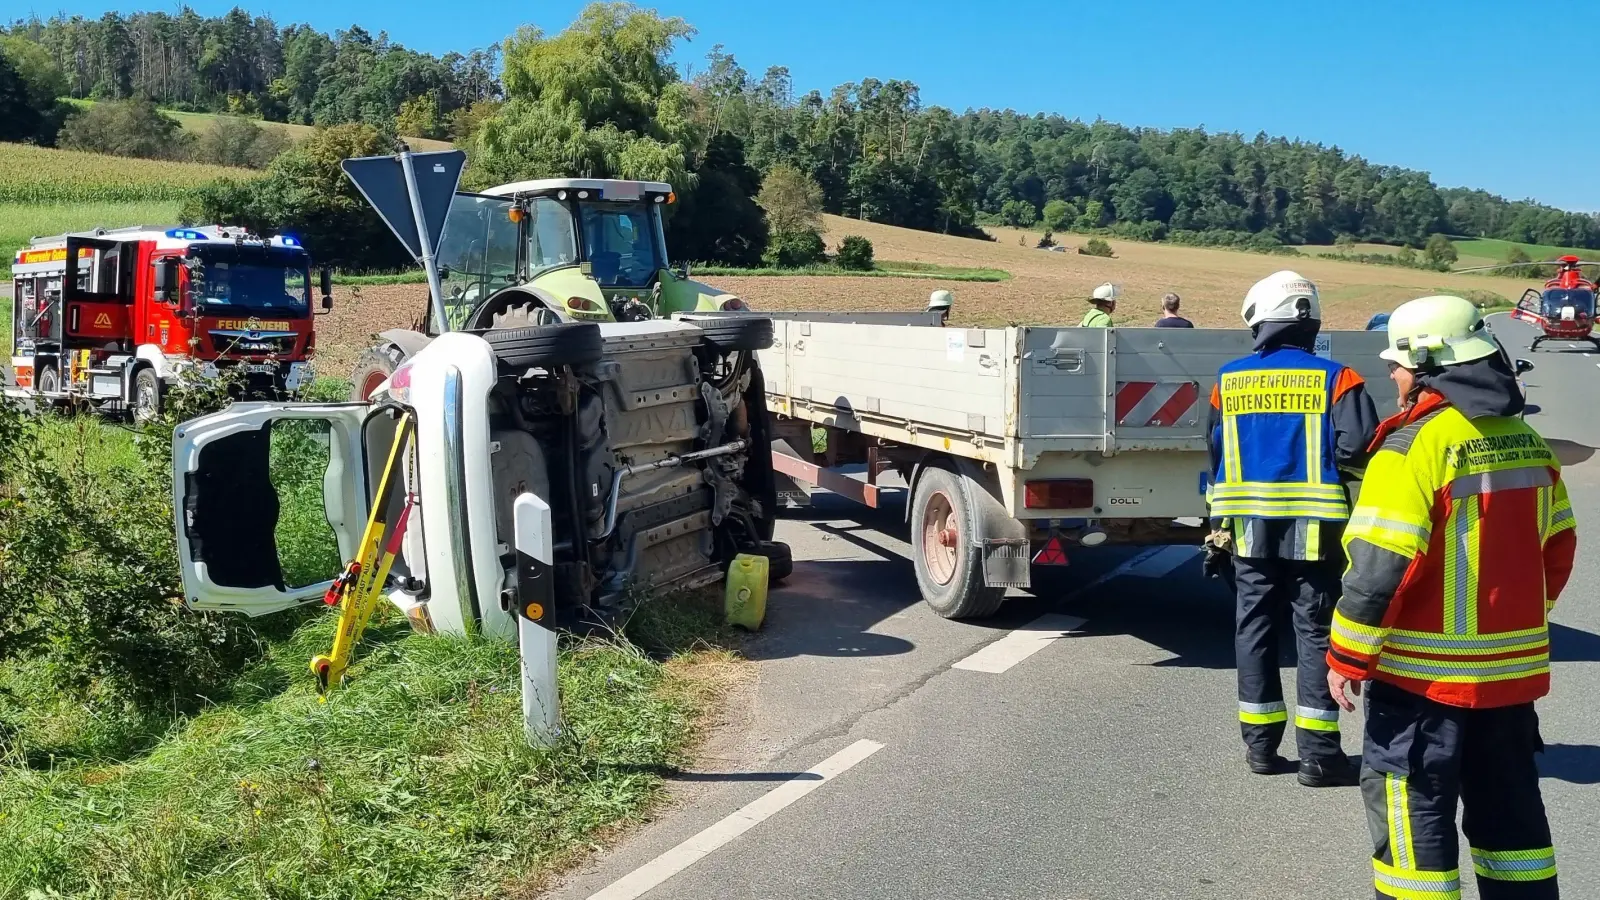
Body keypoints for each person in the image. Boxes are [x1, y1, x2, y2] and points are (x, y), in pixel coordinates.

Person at [1327, 295, 1575, 900]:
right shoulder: (1527, 440)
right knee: (1514, 831)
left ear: (1429, 363)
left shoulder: (1413, 447)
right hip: (1509, 682)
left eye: (1398, 363)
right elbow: (1557, 550)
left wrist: (1346, 657)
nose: (1392, 374)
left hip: (1421, 686)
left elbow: (1379, 569)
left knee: (1413, 829)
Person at [1206, 270, 1379, 786]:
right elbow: (1357, 449)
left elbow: (1215, 453)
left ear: (1259, 321)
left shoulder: (1228, 381)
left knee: (1253, 629)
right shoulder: (1339, 379)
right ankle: (1319, 756)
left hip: (1247, 530)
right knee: (1315, 634)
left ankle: (1260, 749)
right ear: (1309, 323)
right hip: (1316, 531)